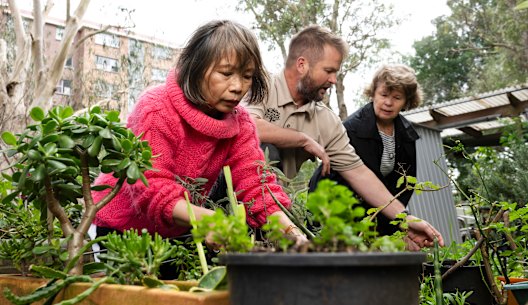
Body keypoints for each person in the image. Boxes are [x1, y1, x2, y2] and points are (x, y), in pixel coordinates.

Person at [89, 20, 308, 261]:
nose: (238, 87)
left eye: (247, 76)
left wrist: (294, 234)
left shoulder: (240, 124)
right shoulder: (157, 109)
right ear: (196, 67)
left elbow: (256, 185)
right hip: (118, 231)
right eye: (226, 74)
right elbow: (152, 187)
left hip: (175, 235)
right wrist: (212, 221)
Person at [243, 25, 444, 251]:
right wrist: (302, 139)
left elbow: (358, 172)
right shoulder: (259, 85)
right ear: (302, 64)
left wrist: (405, 219)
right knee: (266, 148)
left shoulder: (326, 120)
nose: (333, 80)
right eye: (329, 71)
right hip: (228, 200)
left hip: (274, 214)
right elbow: (247, 128)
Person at [309, 63, 422, 237]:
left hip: (379, 215)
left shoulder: (407, 135)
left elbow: (404, 186)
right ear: (373, 93)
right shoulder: (351, 129)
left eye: (397, 97)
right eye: (383, 94)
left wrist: (397, 225)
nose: (388, 102)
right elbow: (350, 180)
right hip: (336, 210)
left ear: (406, 102)